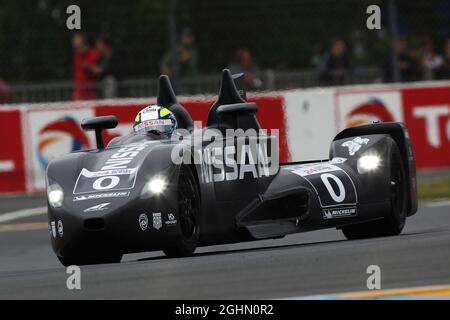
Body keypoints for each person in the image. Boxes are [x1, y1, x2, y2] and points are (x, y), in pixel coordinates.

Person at [72, 33, 100, 100]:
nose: (77, 48)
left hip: (91, 92)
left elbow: (99, 71)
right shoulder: (77, 56)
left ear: (85, 44)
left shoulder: (94, 54)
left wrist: (88, 66)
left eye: (79, 46)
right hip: (79, 92)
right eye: (75, 46)